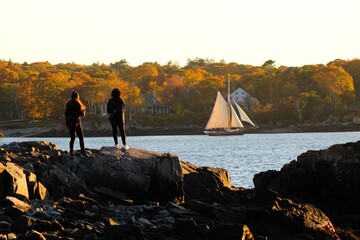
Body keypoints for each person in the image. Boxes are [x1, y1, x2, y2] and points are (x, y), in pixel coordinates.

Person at [65, 91, 87, 156]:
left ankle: (71, 151)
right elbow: (81, 113)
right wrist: (84, 112)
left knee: (72, 138)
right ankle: (83, 152)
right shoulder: (77, 103)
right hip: (76, 123)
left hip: (69, 123)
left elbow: (66, 114)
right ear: (77, 97)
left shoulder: (68, 103)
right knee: (81, 137)